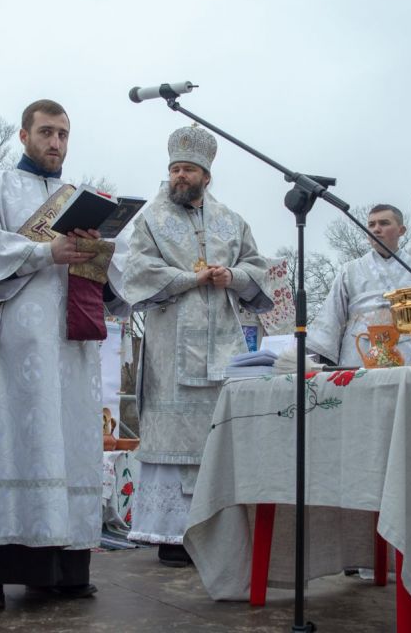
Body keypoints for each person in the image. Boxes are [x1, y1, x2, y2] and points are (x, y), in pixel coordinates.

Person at [0, 99, 129, 609]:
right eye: (47, 132)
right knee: (8, 442)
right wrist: (45, 251)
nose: (56, 143)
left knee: (68, 445)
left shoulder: (80, 198)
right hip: (16, 341)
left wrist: (98, 251)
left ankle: (63, 569)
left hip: (70, 346)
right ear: (24, 135)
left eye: (64, 134)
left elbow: (116, 287)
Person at [122, 125, 275, 567]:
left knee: (217, 437)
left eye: (188, 169)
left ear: (207, 175)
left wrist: (233, 277)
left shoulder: (232, 220)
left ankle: (217, 530)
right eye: (174, 169)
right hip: (170, 349)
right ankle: (171, 536)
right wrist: (192, 278)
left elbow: (257, 268)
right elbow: (137, 271)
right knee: (174, 440)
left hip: (222, 346)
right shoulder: (151, 219)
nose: (179, 177)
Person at [308, 203, 411, 368]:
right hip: (358, 355)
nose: (376, 229)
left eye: (384, 223)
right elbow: (331, 317)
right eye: (371, 224)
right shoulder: (349, 271)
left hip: (409, 357)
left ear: (401, 231)